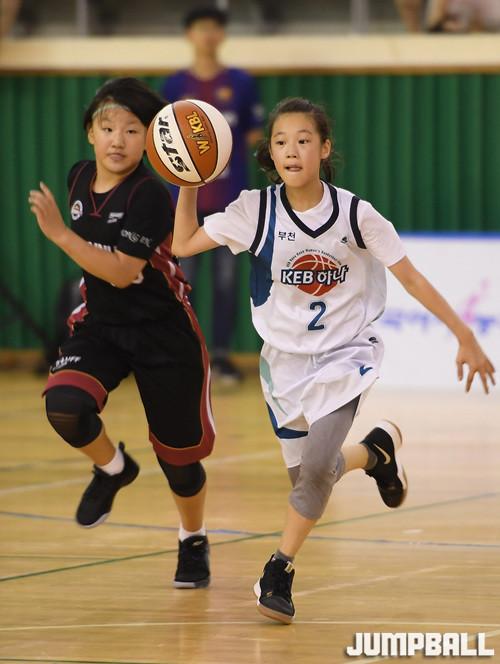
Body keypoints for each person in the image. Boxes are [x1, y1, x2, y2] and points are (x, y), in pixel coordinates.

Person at [172, 97, 496, 623]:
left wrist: (464, 335)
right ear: (270, 152)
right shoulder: (255, 212)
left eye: (303, 140)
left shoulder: (355, 215)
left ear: (324, 149)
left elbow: (412, 278)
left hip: (346, 355)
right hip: (283, 365)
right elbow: (183, 243)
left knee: (317, 470)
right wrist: (188, 181)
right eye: (281, 142)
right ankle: (375, 453)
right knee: (309, 481)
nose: (291, 151)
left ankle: (278, 570)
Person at [28, 77, 215, 590]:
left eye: (133, 130)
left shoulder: (149, 195)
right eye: (108, 127)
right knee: (65, 406)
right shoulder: (79, 177)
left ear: (150, 141)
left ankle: (192, 538)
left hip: (162, 334)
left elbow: (120, 271)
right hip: (102, 325)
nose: (118, 140)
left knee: (180, 462)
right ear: (90, 131)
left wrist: (60, 235)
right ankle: (113, 468)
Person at [161, 6, 263, 383]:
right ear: (189, 34)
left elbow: (254, 134)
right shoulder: (174, 86)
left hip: (229, 202)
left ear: (222, 34)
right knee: (181, 282)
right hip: (186, 206)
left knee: (226, 283)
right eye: (200, 28)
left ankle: (220, 356)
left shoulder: (241, 82)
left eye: (214, 28)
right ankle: (186, 355)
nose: (208, 35)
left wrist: (216, 150)